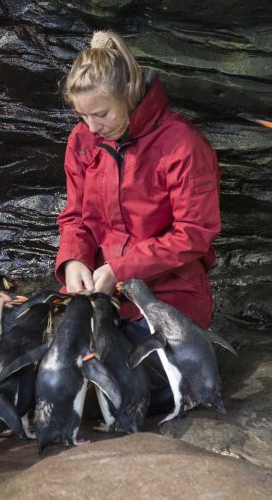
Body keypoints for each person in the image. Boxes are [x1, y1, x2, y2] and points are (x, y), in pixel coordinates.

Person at [54, 29, 221, 413]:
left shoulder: (182, 144)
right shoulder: (82, 141)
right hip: (102, 292)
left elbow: (194, 235)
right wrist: (74, 261)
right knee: (57, 376)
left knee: (134, 389)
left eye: (101, 114)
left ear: (128, 94)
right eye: (82, 115)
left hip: (170, 295)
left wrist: (123, 269)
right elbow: (75, 216)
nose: (91, 128)